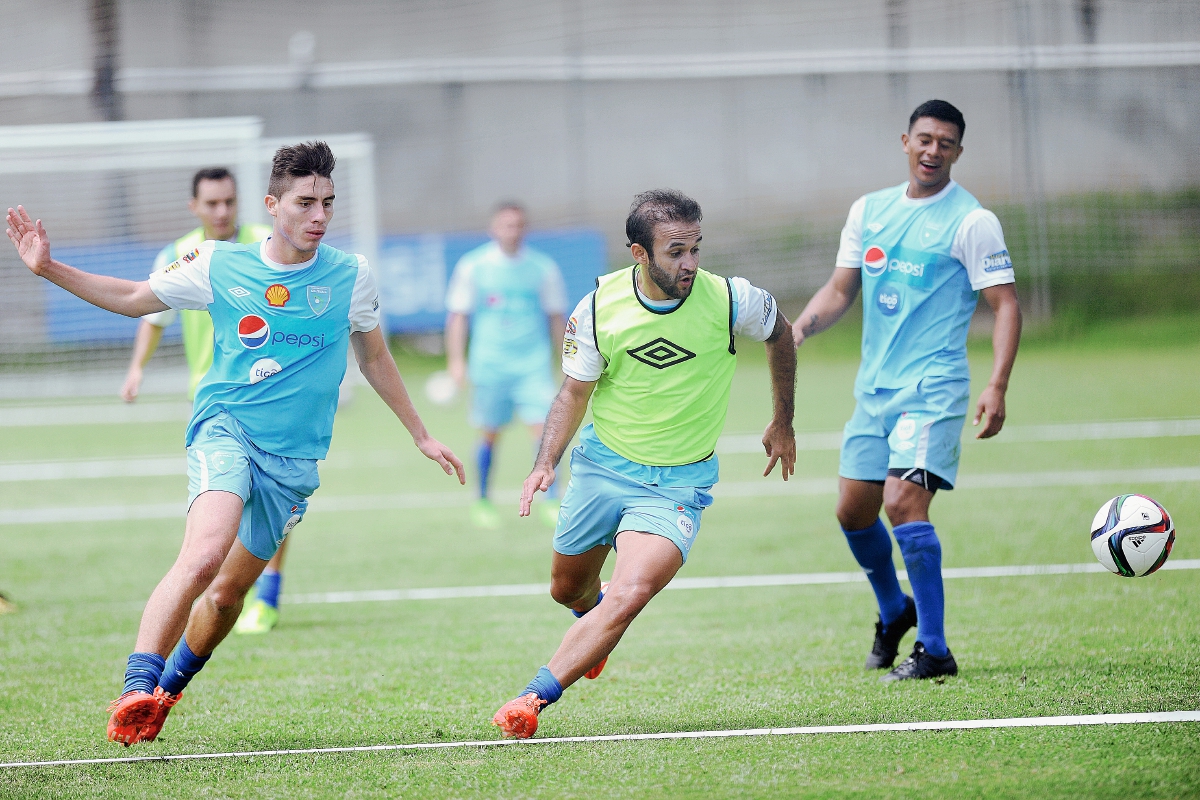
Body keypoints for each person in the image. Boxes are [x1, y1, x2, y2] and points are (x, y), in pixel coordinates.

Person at [6, 140, 465, 746]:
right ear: (274, 205)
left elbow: (375, 356)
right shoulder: (217, 263)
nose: (320, 215)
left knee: (225, 597)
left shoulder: (350, 275)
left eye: (328, 202)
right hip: (226, 428)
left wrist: (422, 434)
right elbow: (134, 299)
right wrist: (48, 268)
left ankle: (165, 692)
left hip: (294, 461)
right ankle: (134, 688)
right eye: (306, 202)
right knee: (203, 556)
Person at [491, 189, 796, 739]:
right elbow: (574, 392)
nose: (690, 264)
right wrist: (545, 463)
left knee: (630, 594)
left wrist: (783, 419)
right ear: (639, 252)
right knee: (568, 591)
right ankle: (592, 622)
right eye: (676, 251)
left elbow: (781, 334)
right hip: (603, 468)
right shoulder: (598, 307)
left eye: (696, 249)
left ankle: (534, 697)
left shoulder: (731, 300)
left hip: (677, 483)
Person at [791, 100, 1021, 681]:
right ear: (905, 141)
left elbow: (1005, 305)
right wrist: (796, 329)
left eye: (945, 143)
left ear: (958, 153)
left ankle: (936, 649)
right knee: (853, 511)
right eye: (924, 139)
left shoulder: (972, 222)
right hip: (874, 391)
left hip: (933, 388)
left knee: (903, 503)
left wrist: (996, 384)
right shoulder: (869, 211)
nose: (932, 151)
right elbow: (841, 290)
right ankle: (895, 612)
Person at [119, 169, 287, 636]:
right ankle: (219, 591)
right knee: (217, 513)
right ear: (194, 207)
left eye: (229, 202)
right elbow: (152, 315)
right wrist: (137, 368)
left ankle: (267, 595)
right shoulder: (182, 255)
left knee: (274, 501)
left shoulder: (268, 242)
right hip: (212, 403)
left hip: (268, 396)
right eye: (212, 203)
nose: (222, 211)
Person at [445, 202, 568, 529]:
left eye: (518, 225)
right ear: (494, 228)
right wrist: (456, 362)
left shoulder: (543, 268)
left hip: (533, 365)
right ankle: (483, 500)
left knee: (545, 433)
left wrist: (566, 361)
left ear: (525, 229)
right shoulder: (474, 266)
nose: (512, 231)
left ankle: (551, 500)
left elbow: (556, 318)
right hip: (490, 365)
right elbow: (458, 318)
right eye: (506, 225)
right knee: (489, 434)